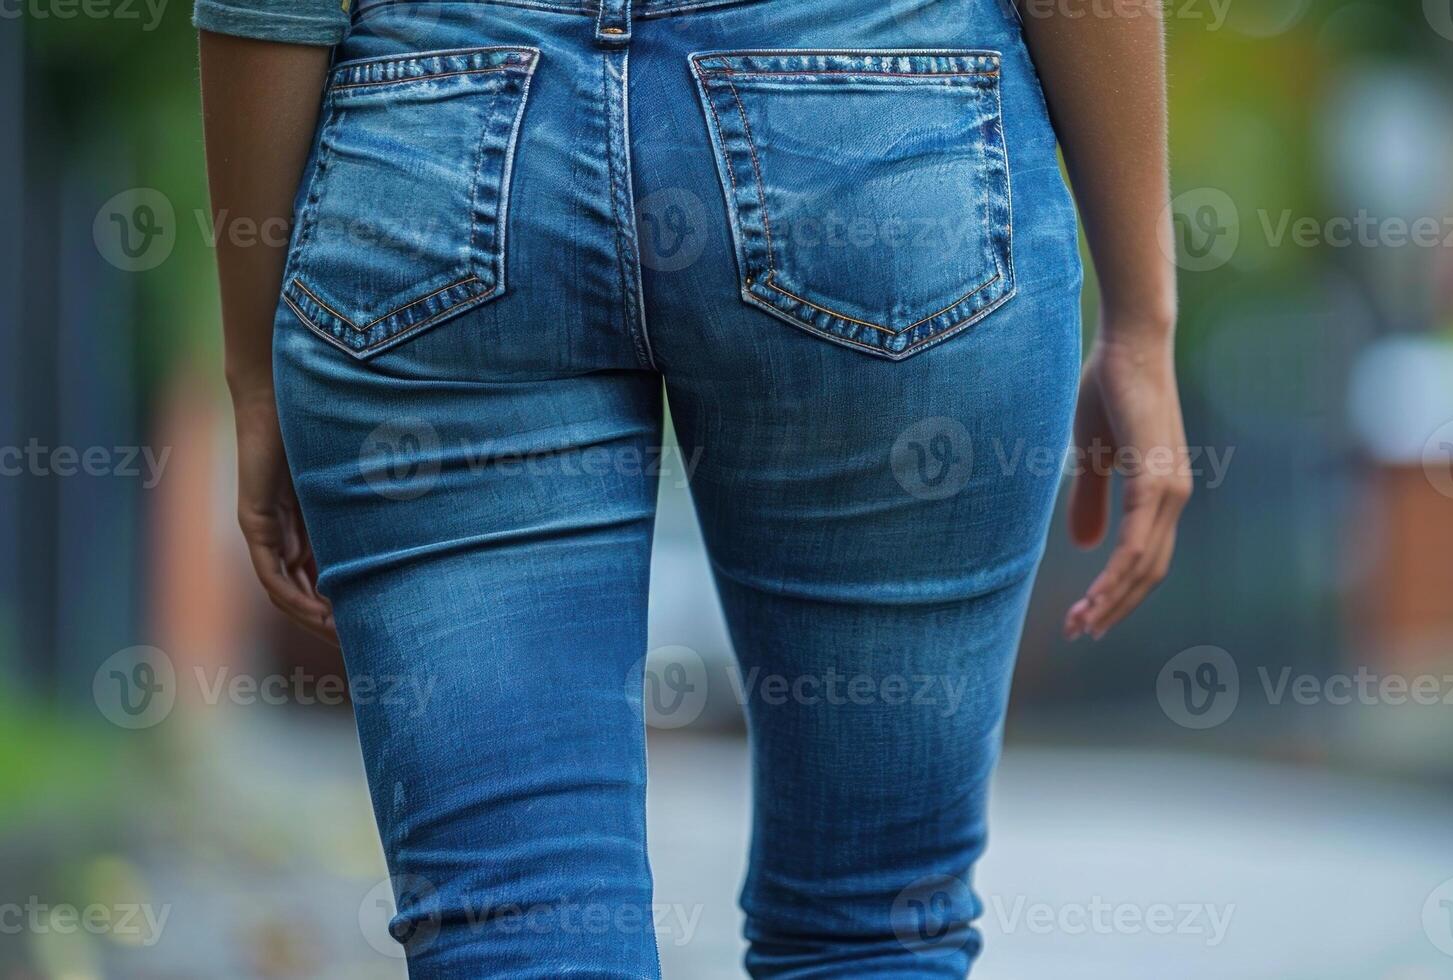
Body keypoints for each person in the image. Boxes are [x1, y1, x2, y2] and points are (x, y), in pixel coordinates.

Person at [198, 0, 1189, 973]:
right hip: (874, 116)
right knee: (874, 924)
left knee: (514, 917)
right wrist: (1141, 321)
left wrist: (253, 366)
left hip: (442, 127)